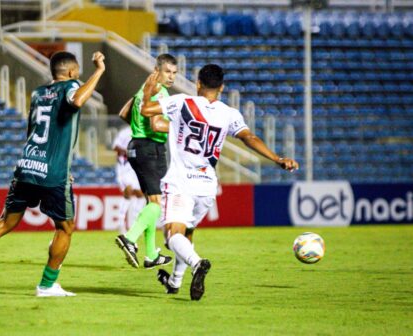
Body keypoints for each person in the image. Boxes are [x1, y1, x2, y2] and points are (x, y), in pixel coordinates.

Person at [0, 51, 106, 297]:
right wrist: (99, 71)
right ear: (71, 72)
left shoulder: (38, 94)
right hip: (52, 173)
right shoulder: (71, 86)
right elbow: (77, 101)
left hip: (27, 165)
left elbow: (30, 131)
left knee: (5, 222)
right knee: (65, 227)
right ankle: (47, 285)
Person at [140, 64, 299, 300]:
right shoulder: (229, 113)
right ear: (222, 87)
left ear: (198, 83)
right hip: (206, 185)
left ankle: (197, 263)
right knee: (187, 233)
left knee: (172, 235)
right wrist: (277, 158)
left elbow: (146, 111)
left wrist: (148, 90)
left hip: (181, 181)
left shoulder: (183, 102)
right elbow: (249, 137)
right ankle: (174, 282)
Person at [115, 53, 177, 269]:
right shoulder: (159, 92)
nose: (171, 77)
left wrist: (136, 125)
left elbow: (124, 113)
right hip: (151, 149)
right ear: (157, 70)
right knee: (158, 205)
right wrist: (182, 127)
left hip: (136, 147)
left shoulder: (144, 90)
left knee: (153, 203)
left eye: (174, 73)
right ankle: (129, 238)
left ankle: (151, 254)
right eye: (167, 72)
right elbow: (156, 125)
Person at [112, 126, 146, 233]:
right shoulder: (125, 132)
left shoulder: (143, 132)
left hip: (135, 167)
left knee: (140, 193)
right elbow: (116, 147)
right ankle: (121, 223)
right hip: (124, 166)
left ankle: (135, 223)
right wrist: (129, 152)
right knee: (129, 190)